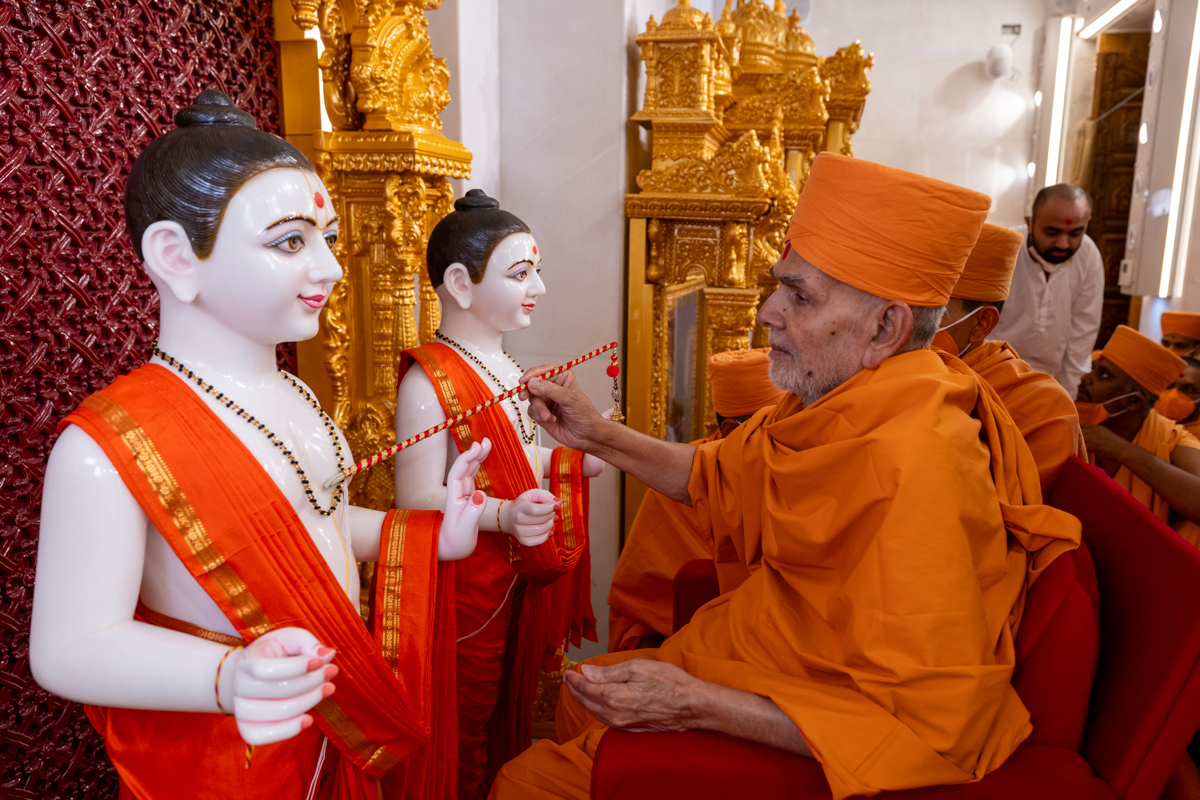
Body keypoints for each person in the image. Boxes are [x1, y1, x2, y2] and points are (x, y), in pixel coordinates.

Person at [492, 153, 1080, 800]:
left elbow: (930, 725)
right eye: (782, 285)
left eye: (798, 295)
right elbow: (716, 476)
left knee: (528, 783)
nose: (768, 311)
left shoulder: (917, 464)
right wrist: (596, 433)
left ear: (886, 327)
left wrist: (695, 704)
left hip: (793, 703)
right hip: (749, 652)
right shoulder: (842, 398)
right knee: (580, 709)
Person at [28, 91, 490, 798]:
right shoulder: (108, 443)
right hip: (228, 753)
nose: (331, 269)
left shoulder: (298, 399)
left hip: (329, 718)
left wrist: (433, 534)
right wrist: (226, 677)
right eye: (290, 241)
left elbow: (314, 524)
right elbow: (66, 648)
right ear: (176, 257)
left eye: (328, 238)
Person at [394, 190, 603, 799]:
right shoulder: (428, 380)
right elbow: (417, 494)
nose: (539, 283)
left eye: (535, 268)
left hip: (510, 572)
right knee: (466, 717)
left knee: (504, 702)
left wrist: (567, 459)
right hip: (465, 582)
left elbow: (509, 456)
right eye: (521, 273)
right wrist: (504, 514)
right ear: (459, 284)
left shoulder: (504, 368)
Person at [607, 348, 785, 652]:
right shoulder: (680, 483)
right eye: (781, 426)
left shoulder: (796, 470)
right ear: (731, 431)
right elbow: (638, 616)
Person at [933, 223, 1085, 492]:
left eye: (933, 313)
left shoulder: (1043, 406)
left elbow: (1020, 516)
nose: (907, 326)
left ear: (982, 323)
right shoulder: (882, 365)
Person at [1077, 325, 1200, 548]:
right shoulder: (1067, 419)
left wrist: (1122, 450)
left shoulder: (1172, 438)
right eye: (1092, 369)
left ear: (1134, 401)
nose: (1086, 378)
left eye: (1103, 375)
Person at [990, 184, 1104, 393]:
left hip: (1049, 383)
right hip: (991, 374)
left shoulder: (1088, 255)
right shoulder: (1003, 247)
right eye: (1052, 232)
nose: (1062, 244)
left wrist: (1070, 398)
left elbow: (1083, 333)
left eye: (1075, 233)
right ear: (1030, 223)